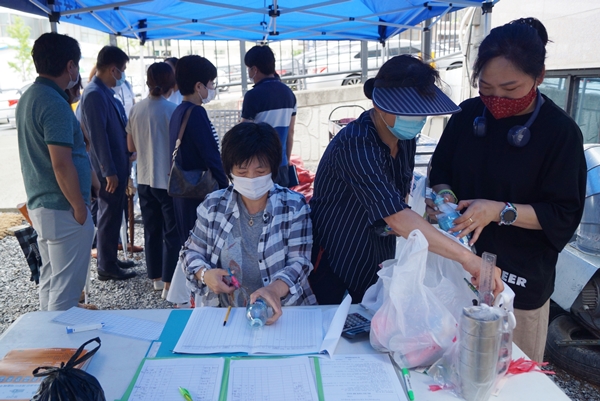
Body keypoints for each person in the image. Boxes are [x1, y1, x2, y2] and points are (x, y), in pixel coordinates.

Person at [427, 18, 586, 363]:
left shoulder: (561, 134)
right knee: (450, 363)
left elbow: (563, 213)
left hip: (519, 283)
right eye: (486, 88)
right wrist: (445, 198)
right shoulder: (467, 114)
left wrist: (500, 211)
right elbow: (439, 171)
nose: (496, 98)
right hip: (459, 269)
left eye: (510, 88)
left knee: (511, 375)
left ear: (540, 77)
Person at [309, 55, 505, 306]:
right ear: (379, 105)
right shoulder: (355, 144)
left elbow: (399, 204)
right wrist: (466, 258)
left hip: (378, 258)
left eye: (420, 112)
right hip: (337, 262)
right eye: (407, 111)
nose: (416, 119)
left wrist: (429, 217)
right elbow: (397, 217)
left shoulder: (404, 140)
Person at [181, 122, 317, 324]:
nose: (252, 179)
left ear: (273, 168)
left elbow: (300, 262)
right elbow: (190, 253)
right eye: (242, 173)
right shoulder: (213, 206)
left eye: (260, 172)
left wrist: (274, 289)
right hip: (227, 314)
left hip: (284, 314)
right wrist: (205, 275)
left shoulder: (293, 206)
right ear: (230, 172)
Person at [16, 32, 94, 310]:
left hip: (45, 205)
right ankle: (59, 350)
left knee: (51, 284)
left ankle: (47, 345)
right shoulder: (54, 101)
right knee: (65, 293)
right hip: (63, 208)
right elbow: (61, 162)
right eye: (77, 66)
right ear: (70, 66)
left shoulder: (30, 96)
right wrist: (79, 207)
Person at [81, 45, 136, 281]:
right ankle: (106, 265)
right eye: (121, 70)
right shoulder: (94, 94)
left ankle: (111, 259)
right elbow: (98, 137)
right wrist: (108, 171)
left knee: (115, 214)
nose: (122, 75)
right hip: (109, 169)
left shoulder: (104, 92)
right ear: (112, 69)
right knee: (108, 214)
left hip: (117, 164)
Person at [126, 62, 179, 299]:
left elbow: (130, 146)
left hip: (144, 178)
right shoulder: (172, 110)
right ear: (172, 83)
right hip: (166, 180)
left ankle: (155, 277)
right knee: (171, 231)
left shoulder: (136, 109)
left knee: (151, 230)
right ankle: (169, 281)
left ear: (148, 82)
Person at [169, 55, 228, 246]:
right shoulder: (196, 113)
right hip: (199, 192)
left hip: (183, 191)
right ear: (198, 86)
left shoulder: (178, 111)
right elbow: (211, 154)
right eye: (211, 83)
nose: (212, 88)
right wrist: (225, 184)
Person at [241, 45, 297, 188]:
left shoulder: (252, 96)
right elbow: (290, 132)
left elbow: (243, 134)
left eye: (248, 69)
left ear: (254, 69)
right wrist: (287, 160)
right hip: (282, 164)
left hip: (259, 167)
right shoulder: (289, 94)